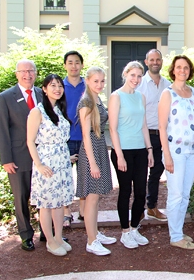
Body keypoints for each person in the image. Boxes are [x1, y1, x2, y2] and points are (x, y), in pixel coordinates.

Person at [0, 59, 43, 251]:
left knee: (43, 195)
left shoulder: (42, 93)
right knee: (21, 197)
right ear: (17, 74)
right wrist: (6, 159)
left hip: (42, 156)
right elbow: (2, 130)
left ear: (36, 73)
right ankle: (25, 234)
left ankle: (47, 232)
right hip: (19, 156)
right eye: (23, 71)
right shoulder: (6, 97)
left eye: (31, 71)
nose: (27, 74)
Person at [27, 74, 74, 256]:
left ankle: (59, 237)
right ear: (44, 89)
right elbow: (30, 141)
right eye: (52, 85)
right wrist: (38, 165)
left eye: (60, 85)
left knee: (59, 203)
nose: (57, 89)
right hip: (46, 164)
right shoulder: (37, 112)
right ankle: (50, 240)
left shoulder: (60, 110)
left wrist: (67, 158)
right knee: (46, 204)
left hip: (62, 163)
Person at [109, 61, 154, 249]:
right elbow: (112, 128)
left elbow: (144, 125)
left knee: (141, 192)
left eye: (139, 76)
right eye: (133, 75)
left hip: (140, 151)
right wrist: (119, 155)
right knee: (126, 192)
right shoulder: (116, 96)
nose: (136, 79)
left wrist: (149, 149)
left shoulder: (140, 97)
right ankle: (125, 231)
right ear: (125, 74)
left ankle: (135, 228)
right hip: (123, 151)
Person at [158, 55, 194, 250]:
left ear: (189, 70)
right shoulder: (168, 93)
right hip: (175, 151)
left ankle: (178, 229)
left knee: (185, 194)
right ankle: (175, 236)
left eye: (186, 67)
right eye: (178, 67)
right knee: (175, 194)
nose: (182, 70)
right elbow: (161, 126)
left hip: (193, 151)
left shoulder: (193, 92)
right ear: (173, 70)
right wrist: (166, 154)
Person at [76, 66, 116, 256]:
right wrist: (92, 163)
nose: (100, 84)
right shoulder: (86, 102)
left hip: (99, 146)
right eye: (96, 81)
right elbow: (85, 134)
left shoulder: (96, 98)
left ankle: (95, 233)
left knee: (96, 196)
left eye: (102, 81)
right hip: (90, 150)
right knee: (91, 198)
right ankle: (91, 241)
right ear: (88, 81)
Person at [136, 49, 171, 221]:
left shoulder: (168, 85)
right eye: (152, 59)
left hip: (162, 135)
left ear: (162, 61)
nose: (155, 62)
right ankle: (138, 209)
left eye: (158, 59)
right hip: (144, 134)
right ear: (146, 61)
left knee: (157, 173)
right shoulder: (139, 84)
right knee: (141, 173)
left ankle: (152, 206)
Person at [62, 50, 86, 227]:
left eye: (77, 62)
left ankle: (83, 211)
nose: (74, 66)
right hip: (66, 139)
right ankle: (65, 212)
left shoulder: (89, 85)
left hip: (85, 137)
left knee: (84, 175)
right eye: (70, 62)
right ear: (65, 65)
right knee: (65, 176)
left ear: (82, 65)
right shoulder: (59, 86)